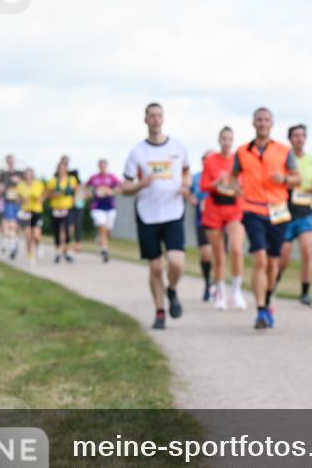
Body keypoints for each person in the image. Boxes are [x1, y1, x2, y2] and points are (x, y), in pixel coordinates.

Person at [122, 102, 192, 330]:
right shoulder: (138, 152)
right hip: (148, 214)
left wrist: (185, 187)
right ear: (145, 120)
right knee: (155, 268)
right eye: (151, 116)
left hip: (173, 212)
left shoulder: (178, 147)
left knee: (176, 262)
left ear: (163, 118)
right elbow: (125, 186)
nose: (155, 120)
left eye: (159, 115)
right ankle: (160, 312)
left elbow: (186, 173)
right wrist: (140, 184)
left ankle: (172, 289)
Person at [231, 107, 299, 329]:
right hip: (252, 209)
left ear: (272, 123)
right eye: (259, 120)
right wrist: (236, 188)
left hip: (278, 211)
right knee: (259, 257)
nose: (262, 123)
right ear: (253, 123)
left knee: (272, 263)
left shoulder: (283, 150)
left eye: (266, 120)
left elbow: (297, 179)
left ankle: (268, 300)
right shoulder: (242, 151)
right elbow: (233, 177)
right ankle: (260, 310)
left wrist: (284, 178)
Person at [200, 127, 248, 311]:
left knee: (236, 249)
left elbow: (244, 185)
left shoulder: (239, 160)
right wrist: (217, 181)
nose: (226, 142)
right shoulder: (211, 161)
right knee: (219, 255)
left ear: (233, 141)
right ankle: (220, 293)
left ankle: (236, 291)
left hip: (234, 209)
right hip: (214, 210)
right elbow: (204, 185)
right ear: (219, 140)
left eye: (229, 139)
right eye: (223, 139)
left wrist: (236, 186)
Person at [277, 124, 312, 307]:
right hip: (285, 212)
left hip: (306, 212)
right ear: (290, 139)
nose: (299, 139)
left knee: (307, 250)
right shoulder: (283, 159)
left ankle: (305, 293)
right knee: (283, 257)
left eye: (302, 135)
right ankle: (273, 283)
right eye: (296, 136)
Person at [85, 159, 121, 263]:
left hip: (110, 207)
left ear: (106, 166)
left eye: (104, 166)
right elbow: (85, 187)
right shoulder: (94, 178)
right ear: (98, 167)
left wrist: (111, 191)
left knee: (107, 230)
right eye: (100, 166)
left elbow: (120, 187)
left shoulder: (112, 177)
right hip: (97, 207)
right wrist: (89, 193)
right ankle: (104, 250)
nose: (102, 168)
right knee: (102, 227)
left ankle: (100, 239)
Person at [46, 158, 79, 263]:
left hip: (67, 208)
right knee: (57, 231)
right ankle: (57, 252)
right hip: (55, 208)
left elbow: (78, 192)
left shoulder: (72, 180)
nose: (61, 170)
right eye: (60, 168)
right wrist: (53, 195)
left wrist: (76, 200)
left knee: (67, 230)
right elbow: (47, 194)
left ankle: (67, 251)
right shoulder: (52, 181)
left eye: (63, 168)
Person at [192, 151, 215, 301]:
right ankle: (208, 283)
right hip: (202, 220)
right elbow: (188, 192)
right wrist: (191, 198)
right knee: (206, 254)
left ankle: (217, 284)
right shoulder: (196, 178)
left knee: (218, 255)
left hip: (220, 221)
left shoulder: (221, 175)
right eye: (205, 158)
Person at [15, 168, 45, 265]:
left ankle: (38, 245)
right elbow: (17, 199)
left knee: (36, 235)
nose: (28, 176)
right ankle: (31, 256)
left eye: (30, 174)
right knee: (28, 235)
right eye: (26, 174)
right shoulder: (20, 185)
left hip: (37, 211)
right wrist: (22, 201)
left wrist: (39, 199)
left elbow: (43, 196)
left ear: (32, 175)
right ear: (24, 176)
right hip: (26, 212)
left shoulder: (38, 184)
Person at [0, 154, 22, 259]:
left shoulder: (20, 173)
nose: (11, 162)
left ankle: (14, 243)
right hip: (8, 202)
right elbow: (0, 188)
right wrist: (2, 189)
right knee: (11, 224)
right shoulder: (3, 174)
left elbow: (26, 185)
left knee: (16, 226)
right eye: (9, 161)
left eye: (12, 160)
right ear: (6, 162)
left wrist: (19, 181)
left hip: (19, 202)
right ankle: (12, 246)